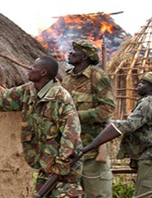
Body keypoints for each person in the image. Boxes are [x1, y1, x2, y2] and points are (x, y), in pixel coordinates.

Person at [0, 56, 83, 197]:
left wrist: (62, 163)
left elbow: (71, 134)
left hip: (65, 169)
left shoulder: (61, 98)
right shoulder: (28, 92)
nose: (29, 68)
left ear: (43, 73)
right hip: (46, 166)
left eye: (34, 67)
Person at [79, 72, 152, 198]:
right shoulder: (151, 102)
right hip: (149, 157)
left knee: (144, 196)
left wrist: (110, 124)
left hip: (151, 157)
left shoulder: (148, 103)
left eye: (143, 83)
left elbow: (130, 125)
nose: (138, 85)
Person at [61, 39, 116, 198]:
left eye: (75, 50)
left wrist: (78, 116)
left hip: (92, 150)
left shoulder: (97, 76)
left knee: (98, 194)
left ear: (84, 56)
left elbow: (107, 108)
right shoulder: (67, 79)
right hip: (70, 151)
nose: (70, 53)